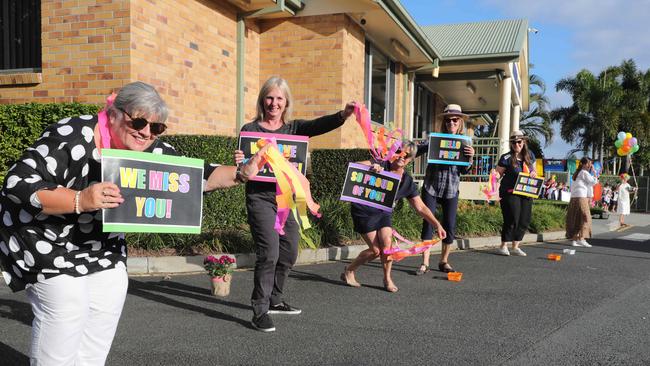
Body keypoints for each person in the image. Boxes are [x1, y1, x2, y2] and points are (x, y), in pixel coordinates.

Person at [0, 81, 268, 365]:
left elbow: (196, 177)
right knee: (67, 308)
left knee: (111, 295)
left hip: (98, 244)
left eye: (156, 128)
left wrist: (242, 173)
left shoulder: (149, 149)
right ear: (114, 113)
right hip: (42, 238)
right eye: (138, 121)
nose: (146, 132)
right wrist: (80, 199)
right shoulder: (73, 135)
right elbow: (17, 184)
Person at [236, 76, 355, 333]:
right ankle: (259, 309)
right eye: (269, 97)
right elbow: (241, 169)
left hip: (286, 201)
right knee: (269, 253)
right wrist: (239, 160)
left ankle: (275, 299)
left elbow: (319, 125)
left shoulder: (293, 129)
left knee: (289, 251)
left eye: (279, 98)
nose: (274, 103)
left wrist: (342, 115)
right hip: (260, 198)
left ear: (286, 102)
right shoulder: (249, 129)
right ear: (262, 100)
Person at [341, 141, 447, 291]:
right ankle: (350, 270)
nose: (402, 156)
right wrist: (370, 167)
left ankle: (387, 278)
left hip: (384, 212)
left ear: (411, 160)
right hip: (364, 209)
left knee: (387, 244)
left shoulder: (407, 181)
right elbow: (352, 167)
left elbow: (421, 206)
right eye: (399, 151)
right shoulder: (381, 163)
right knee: (375, 251)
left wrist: (437, 224)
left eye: (407, 155)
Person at [415, 104, 474, 275]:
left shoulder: (465, 142)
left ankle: (444, 261)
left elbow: (464, 170)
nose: (451, 123)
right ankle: (425, 262)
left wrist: (470, 158)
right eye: (448, 120)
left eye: (455, 120)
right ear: (444, 122)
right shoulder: (435, 139)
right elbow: (417, 150)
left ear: (460, 122)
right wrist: (403, 153)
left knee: (450, 225)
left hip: (451, 189)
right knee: (428, 223)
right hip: (431, 187)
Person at [494, 130, 537, 256]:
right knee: (512, 217)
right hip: (510, 192)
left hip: (526, 192)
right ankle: (503, 246)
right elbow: (498, 174)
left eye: (519, 142)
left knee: (524, 219)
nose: (516, 144)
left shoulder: (530, 155)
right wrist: (495, 175)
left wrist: (533, 174)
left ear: (523, 142)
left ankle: (516, 246)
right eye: (513, 142)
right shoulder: (506, 158)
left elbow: (534, 171)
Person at [565, 157, 598, 247]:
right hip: (581, 198)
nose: (590, 165)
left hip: (574, 198)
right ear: (583, 164)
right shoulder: (584, 172)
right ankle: (582, 239)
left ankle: (574, 240)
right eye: (588, 163)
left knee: (577, 218)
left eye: (590, 163)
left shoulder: (578, 172)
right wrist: (595, 173)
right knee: (586, 218)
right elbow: (593, 182)